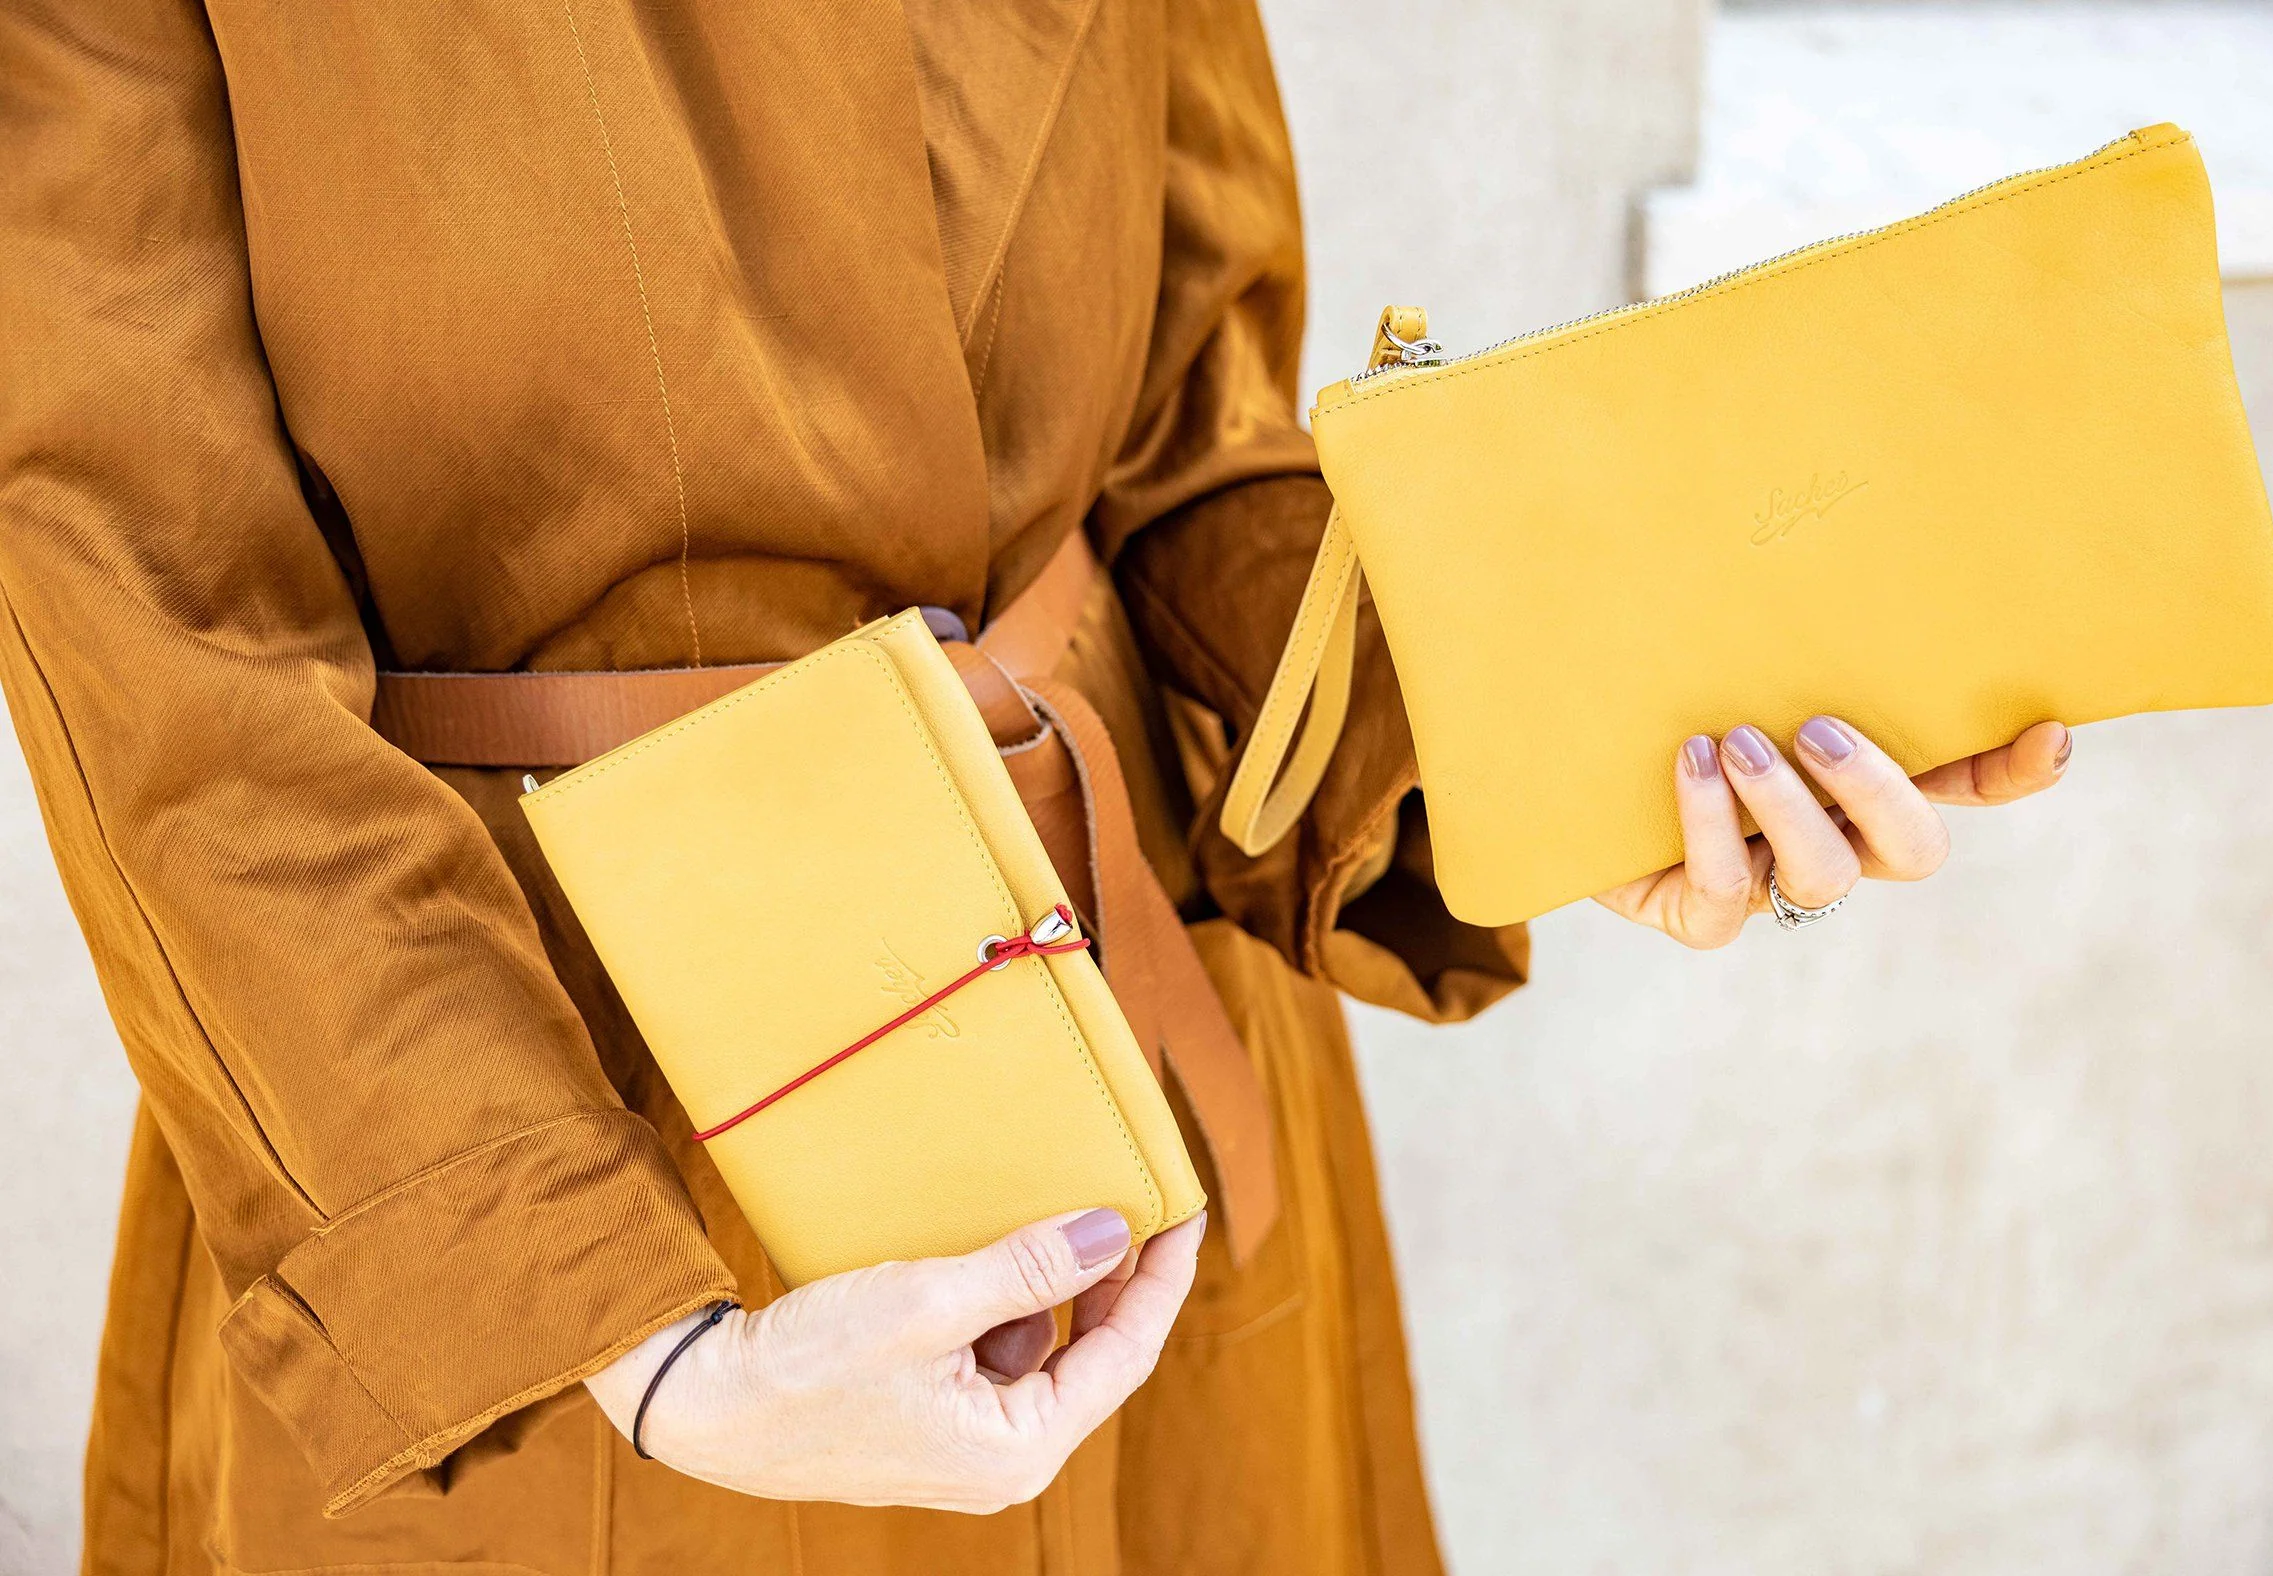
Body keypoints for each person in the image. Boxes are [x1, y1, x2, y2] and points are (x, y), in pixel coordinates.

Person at [0, 0, 2067, 1569]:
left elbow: (1187, 440)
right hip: (552, 1188)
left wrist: (1559, 761)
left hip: (1130, 1120)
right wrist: (625, 1332)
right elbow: (148, 632)